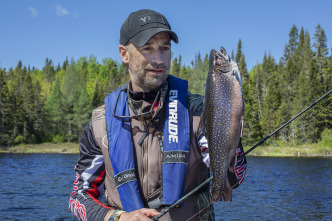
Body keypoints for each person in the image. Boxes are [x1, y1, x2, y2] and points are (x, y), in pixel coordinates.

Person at [69, 9, 247, 221]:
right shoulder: (101, 123)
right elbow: (79, 195)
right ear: (124, 53)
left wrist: (229, 127)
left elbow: (234, 178)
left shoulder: (198, 111)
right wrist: (117, 217)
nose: (159, 59)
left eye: (164, 48)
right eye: (148, 49)